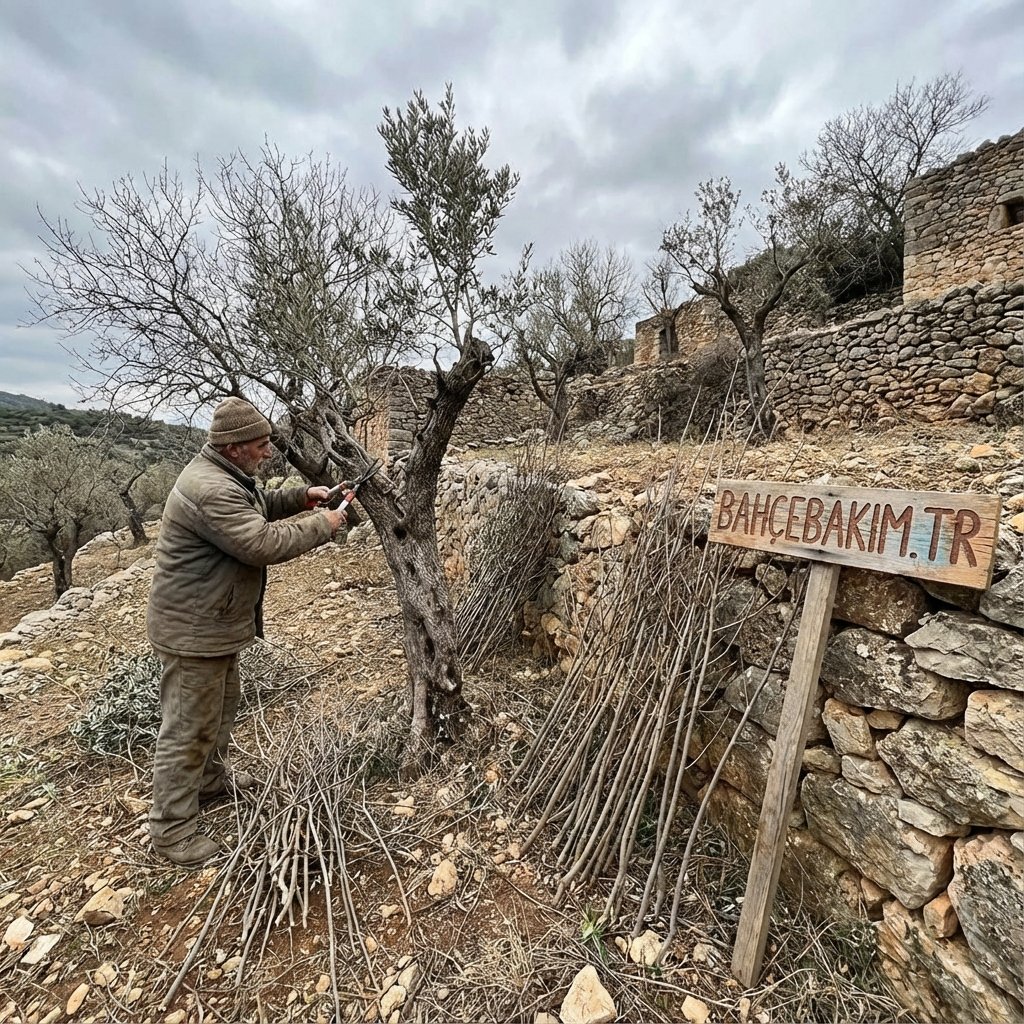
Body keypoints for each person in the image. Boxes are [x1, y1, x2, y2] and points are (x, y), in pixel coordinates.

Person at [146, 397, 347, 868]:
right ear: (234, 447)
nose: (268, 452)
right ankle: (172, 832)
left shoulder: (225, 474)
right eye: (260, 446)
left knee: (219, 713)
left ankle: (210, 782)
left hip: (213, 624)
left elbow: (256, 507)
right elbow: (259, 542)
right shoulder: (209, 488)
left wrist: (303, 497)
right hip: (194, 631)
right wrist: (324, 524)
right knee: (188, 729)